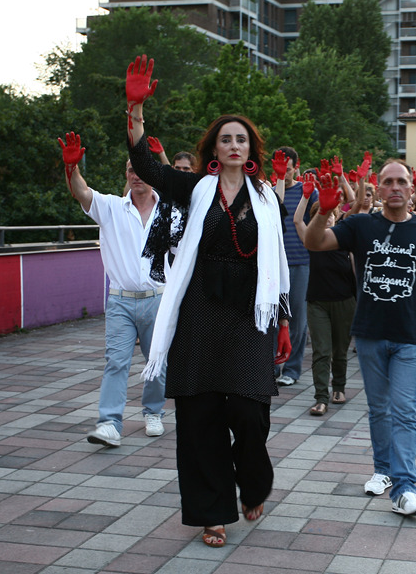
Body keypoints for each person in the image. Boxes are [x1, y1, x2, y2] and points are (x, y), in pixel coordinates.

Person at [124, 55, 291, 547]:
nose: (234, 145)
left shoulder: (267, 197)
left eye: (242, 138)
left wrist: (281, 319)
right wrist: (134, 113)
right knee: (199, 419)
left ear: (250, 147)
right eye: (226, 138)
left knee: (249, 412)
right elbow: (146, 166)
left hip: (249, 314)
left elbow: (277, 264)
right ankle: (211, 512)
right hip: (198, 312)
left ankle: (254, 483)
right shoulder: (195, 188)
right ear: (214, 149)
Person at [304, 159, 416, 517]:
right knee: (380, 409)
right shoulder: (360, 224)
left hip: (410, 337)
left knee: (404, 412)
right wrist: (323, 211)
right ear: (378, 188)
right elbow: (314, 241)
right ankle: (383, 470)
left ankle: (405, 488)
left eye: (402, 181)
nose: (395, 187)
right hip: (369, 333)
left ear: (412, 188)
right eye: (388, 182)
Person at [58, 132, 167, 447]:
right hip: (120, 301)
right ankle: (109, 424)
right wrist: (71, 169)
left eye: (142, 169)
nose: (136, 175)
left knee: (157, 361)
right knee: (116, 362)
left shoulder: (168, 211)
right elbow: (81, 192)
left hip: (157, 299)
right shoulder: (111, 207)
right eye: (131, 170)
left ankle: (153, 411)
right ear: (127, 175)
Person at [293, 174, 356, 416]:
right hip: (317, 302)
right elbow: (298, 220)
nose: (327, 218)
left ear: (337, 215)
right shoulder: (311, 240)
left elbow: (357, 206)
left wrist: (345, 181)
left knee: (340, 350)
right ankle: (321, 397)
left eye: (330, 214)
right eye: (321, 215)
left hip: (344, 301)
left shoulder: (345, 237)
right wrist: (306, 196)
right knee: (322, 351)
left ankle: (338, 386)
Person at [274, 146, 317, 386]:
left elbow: (320, 218)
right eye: (282, 169)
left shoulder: (308, 191)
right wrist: (279, 180)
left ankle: (291, 369)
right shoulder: (271, 192)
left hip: (301, 262)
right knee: (273, 319)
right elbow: (275, 210)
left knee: (298, 320)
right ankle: (272, 366)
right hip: (276, 264)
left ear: (296, 167)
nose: (286, 173)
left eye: (289, 169)